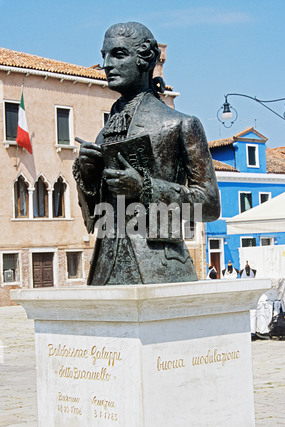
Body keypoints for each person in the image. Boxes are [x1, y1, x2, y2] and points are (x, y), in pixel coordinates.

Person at [73, 21, 220, 285]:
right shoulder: (104, 133)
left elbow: (209, 205)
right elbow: (94, 217)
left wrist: (145, 188)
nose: (107, 64)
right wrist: (88, 177)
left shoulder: (180, 124)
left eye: (118, 54)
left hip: (160, 268)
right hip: (105, 271)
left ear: (145, 60)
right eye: (104, 55)